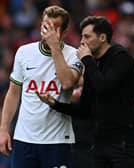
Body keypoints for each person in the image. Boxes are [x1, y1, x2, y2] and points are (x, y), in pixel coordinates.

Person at [37, 16, 134, 168]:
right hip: (100, 143)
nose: (82, 42)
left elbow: (104, 87)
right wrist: (55, 104)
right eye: (81, 36)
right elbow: (85, 110)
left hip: (122, 143)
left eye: (87, 36)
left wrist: (87, 59)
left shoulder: (120, 57)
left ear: (103, 37)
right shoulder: (93, 64)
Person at [0, 5, 83, 168]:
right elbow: (13, 93)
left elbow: (67, 83)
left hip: (57, 140)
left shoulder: (74, 55)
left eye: (54, 29)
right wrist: (3, 129)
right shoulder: (24, 52)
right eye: (46, 27)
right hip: (24, 139)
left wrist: (54, 47)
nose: (48, 33)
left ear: (65, 32)